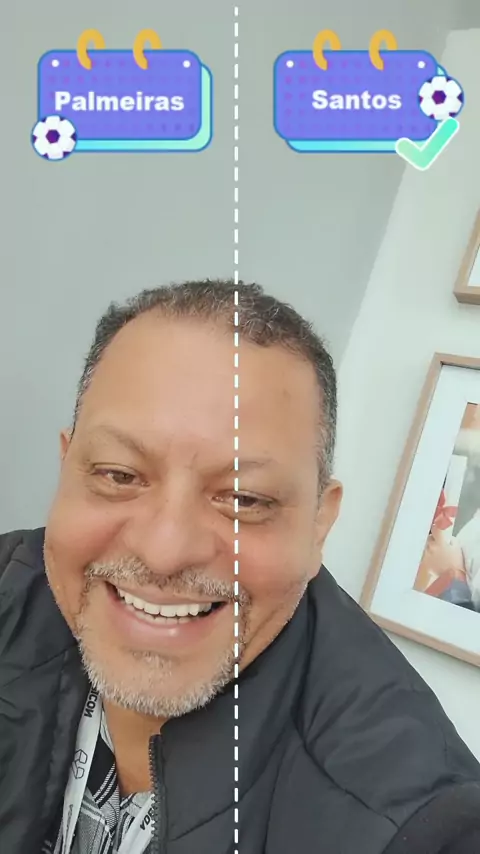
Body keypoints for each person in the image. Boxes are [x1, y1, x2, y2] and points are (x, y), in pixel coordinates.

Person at [1, 280, 480, 854]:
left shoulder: (418, 826)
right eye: (118, 475)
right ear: (67, 467)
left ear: (319, 524)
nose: (163, 551)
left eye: (244, 500)